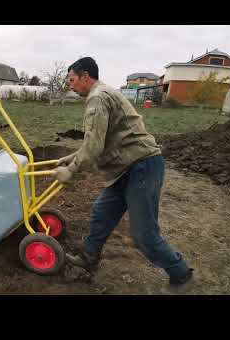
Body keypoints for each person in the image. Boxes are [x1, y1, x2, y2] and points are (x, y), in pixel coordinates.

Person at [53, 57, 194, 293]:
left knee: (144, 234)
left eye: (72, 79)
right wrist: (72, 157)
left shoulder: (98, 98)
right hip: (126, 168)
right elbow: (96, 140)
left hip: (141, 166)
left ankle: (181, 275)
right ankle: (89, 258)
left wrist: (71, 170)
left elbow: (95, 145)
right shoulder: (101, 94)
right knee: (102, 212)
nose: (70, 84)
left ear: (85, 76)